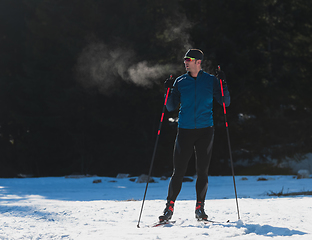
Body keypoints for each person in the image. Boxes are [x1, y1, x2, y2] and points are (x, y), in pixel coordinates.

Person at [159, 49, 230, 221]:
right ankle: (169, 208)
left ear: (198, 62)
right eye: (184, 59)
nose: (186, 62)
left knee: (202, 171)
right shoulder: (180, 81)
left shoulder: (211, 81)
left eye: (189, 59)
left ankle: (200, 208)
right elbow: (170, 106)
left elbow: (225, 102)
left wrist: (223, 84)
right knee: (179, 171)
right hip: (185, 130)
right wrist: (167, 92)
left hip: (206, 131)